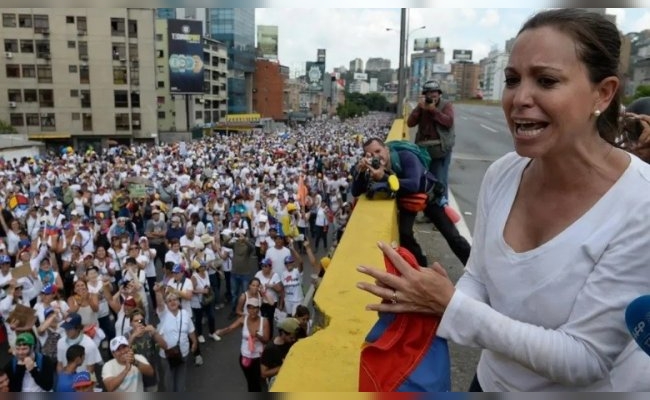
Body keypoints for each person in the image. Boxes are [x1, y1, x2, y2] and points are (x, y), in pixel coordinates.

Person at [357, 9, 650, 391]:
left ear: (603, 93)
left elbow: (586, 358)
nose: (519, 99)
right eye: (512, 80)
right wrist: (428, 297)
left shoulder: (640, 202)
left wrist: (451, 306)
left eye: (546, 81)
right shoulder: (503, 173)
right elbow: (479, 276)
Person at [351, 137, 470, 267]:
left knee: (452, 236)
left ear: (386, 149)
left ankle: (472, 266)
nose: (376, 156)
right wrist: (361, 172)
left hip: (429, 196)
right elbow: (356, 192)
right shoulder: (375, 167)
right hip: (408, 200)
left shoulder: (406, 157)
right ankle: (422, 268)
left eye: (378, 151)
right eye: (370, 155)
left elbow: (413, 184)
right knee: (405, 235)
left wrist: (383, 177)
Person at [407, 79, 456, 198]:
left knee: (440, 180)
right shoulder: (422, 107)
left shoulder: (446, 105)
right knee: (424, 180)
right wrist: (419, 108)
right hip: (423, 149)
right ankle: (427, 206)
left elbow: (448, 122)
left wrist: (433, 110)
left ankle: (442, 206)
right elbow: (410, 123)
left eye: (434, 92)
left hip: (440, 148)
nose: (432, 95)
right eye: (428, 93)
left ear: (439, 94)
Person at [215, 297, 270, 392]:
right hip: (245, 357)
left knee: (256, 382)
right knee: (250, 381)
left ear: (258, 309)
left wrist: (258, 335)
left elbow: (266, 340)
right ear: (247, 309)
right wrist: (221, 332)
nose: (253, 311)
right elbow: (231, 328)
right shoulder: (243, 319)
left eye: (255, 308)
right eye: (250, 308)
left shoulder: (264, 321)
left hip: (258, 358)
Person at [260, 317, 300, 389]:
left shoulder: (291, 342)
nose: (294, 340)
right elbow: (263, 373)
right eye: (291, 338)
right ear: (283, 333)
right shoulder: (270, 349)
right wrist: (284, 366)